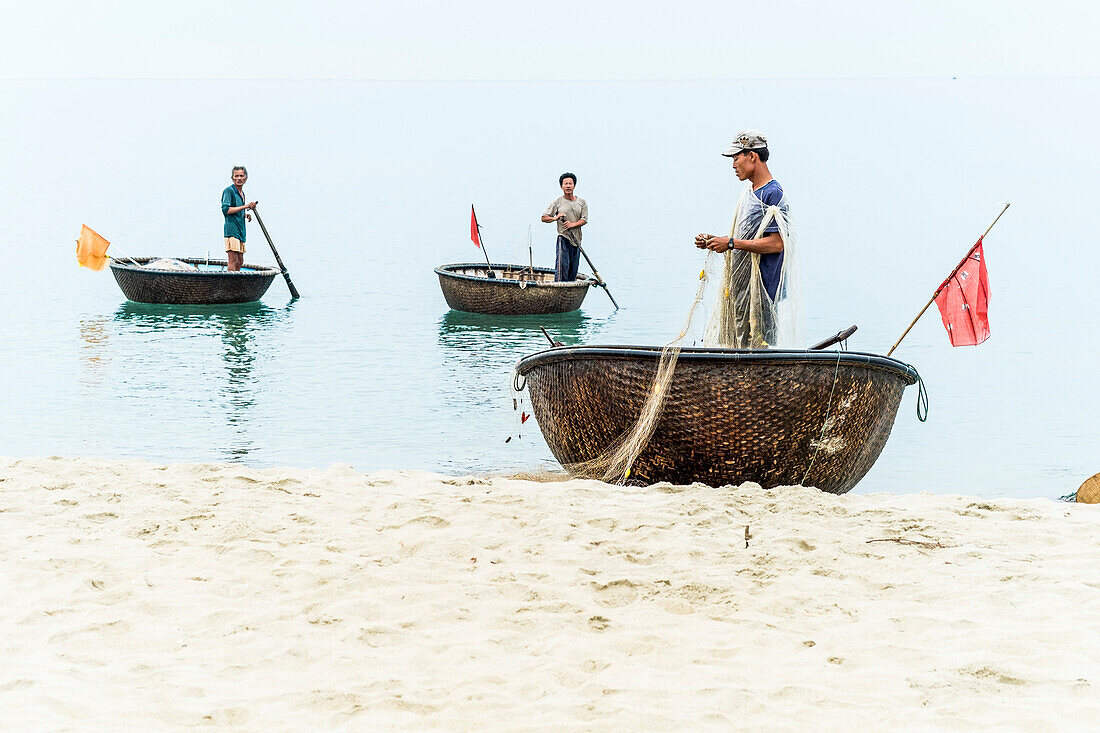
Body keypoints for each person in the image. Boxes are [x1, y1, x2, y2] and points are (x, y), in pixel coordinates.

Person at [695, 130, 791, 347]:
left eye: (736, 158)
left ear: (752, 156)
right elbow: (747, 236)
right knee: (739, 348)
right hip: (744, 288)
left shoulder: (773, 194)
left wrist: (730, 243)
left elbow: (777, 243)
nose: (733, 164)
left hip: (763, 290)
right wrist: (715, 240)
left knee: (760, 349)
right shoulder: (750, 191)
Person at [541, 172, 588, 282]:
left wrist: (573, 224)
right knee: (562, 267)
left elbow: (584, 219)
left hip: (577, 240)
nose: (568, 186)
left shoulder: (581, 202)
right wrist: (555, 218)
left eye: (570, 183)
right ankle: (559, 288)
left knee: (573, 270)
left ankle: (569, 291)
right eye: (565, 183)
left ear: (574, 185)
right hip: (564, 238)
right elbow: (544, 217)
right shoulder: (557, 202)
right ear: (561, 186)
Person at [221, 166, 257, 272]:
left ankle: (235, 282)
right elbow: (226, 210)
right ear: (232, 178)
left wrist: (244, 214)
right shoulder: (229, 191)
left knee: (240, 261)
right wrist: (245, 206)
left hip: (240, 231)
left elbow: (236, 209)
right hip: (232, 230)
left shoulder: (241, 194)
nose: (239, 178)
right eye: (236, 176)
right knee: (233, 260)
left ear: (245, 178)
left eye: (241, 176)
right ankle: (230, 284)